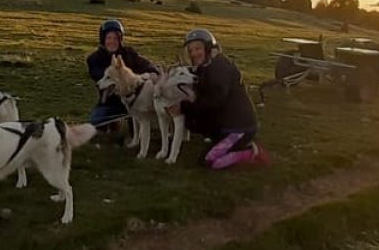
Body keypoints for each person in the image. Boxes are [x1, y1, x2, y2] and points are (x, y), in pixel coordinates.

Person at [176, 28, 267, 169]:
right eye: (191, 50)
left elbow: (215, 102)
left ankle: (250, 152)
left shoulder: (219, 68)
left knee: (209, 162)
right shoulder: (209, 66)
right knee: (194, 120)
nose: (194, 54)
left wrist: (184, 107)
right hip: (227, 124)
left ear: (208, 48)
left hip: (238, 127)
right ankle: (229, 142)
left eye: (198, 48)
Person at [86, 19, 158, 127]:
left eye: (115, 38)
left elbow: (144, 63)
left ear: (120, 39)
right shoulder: (93, 59)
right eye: (109, 38)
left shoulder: (129, 53)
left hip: (133, 100)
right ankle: (117, 121)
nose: (112, 42)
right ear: (103, 39)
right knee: (96, 122)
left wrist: (152, 71)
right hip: (110, 102)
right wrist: (117, 75)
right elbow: (98, 75)